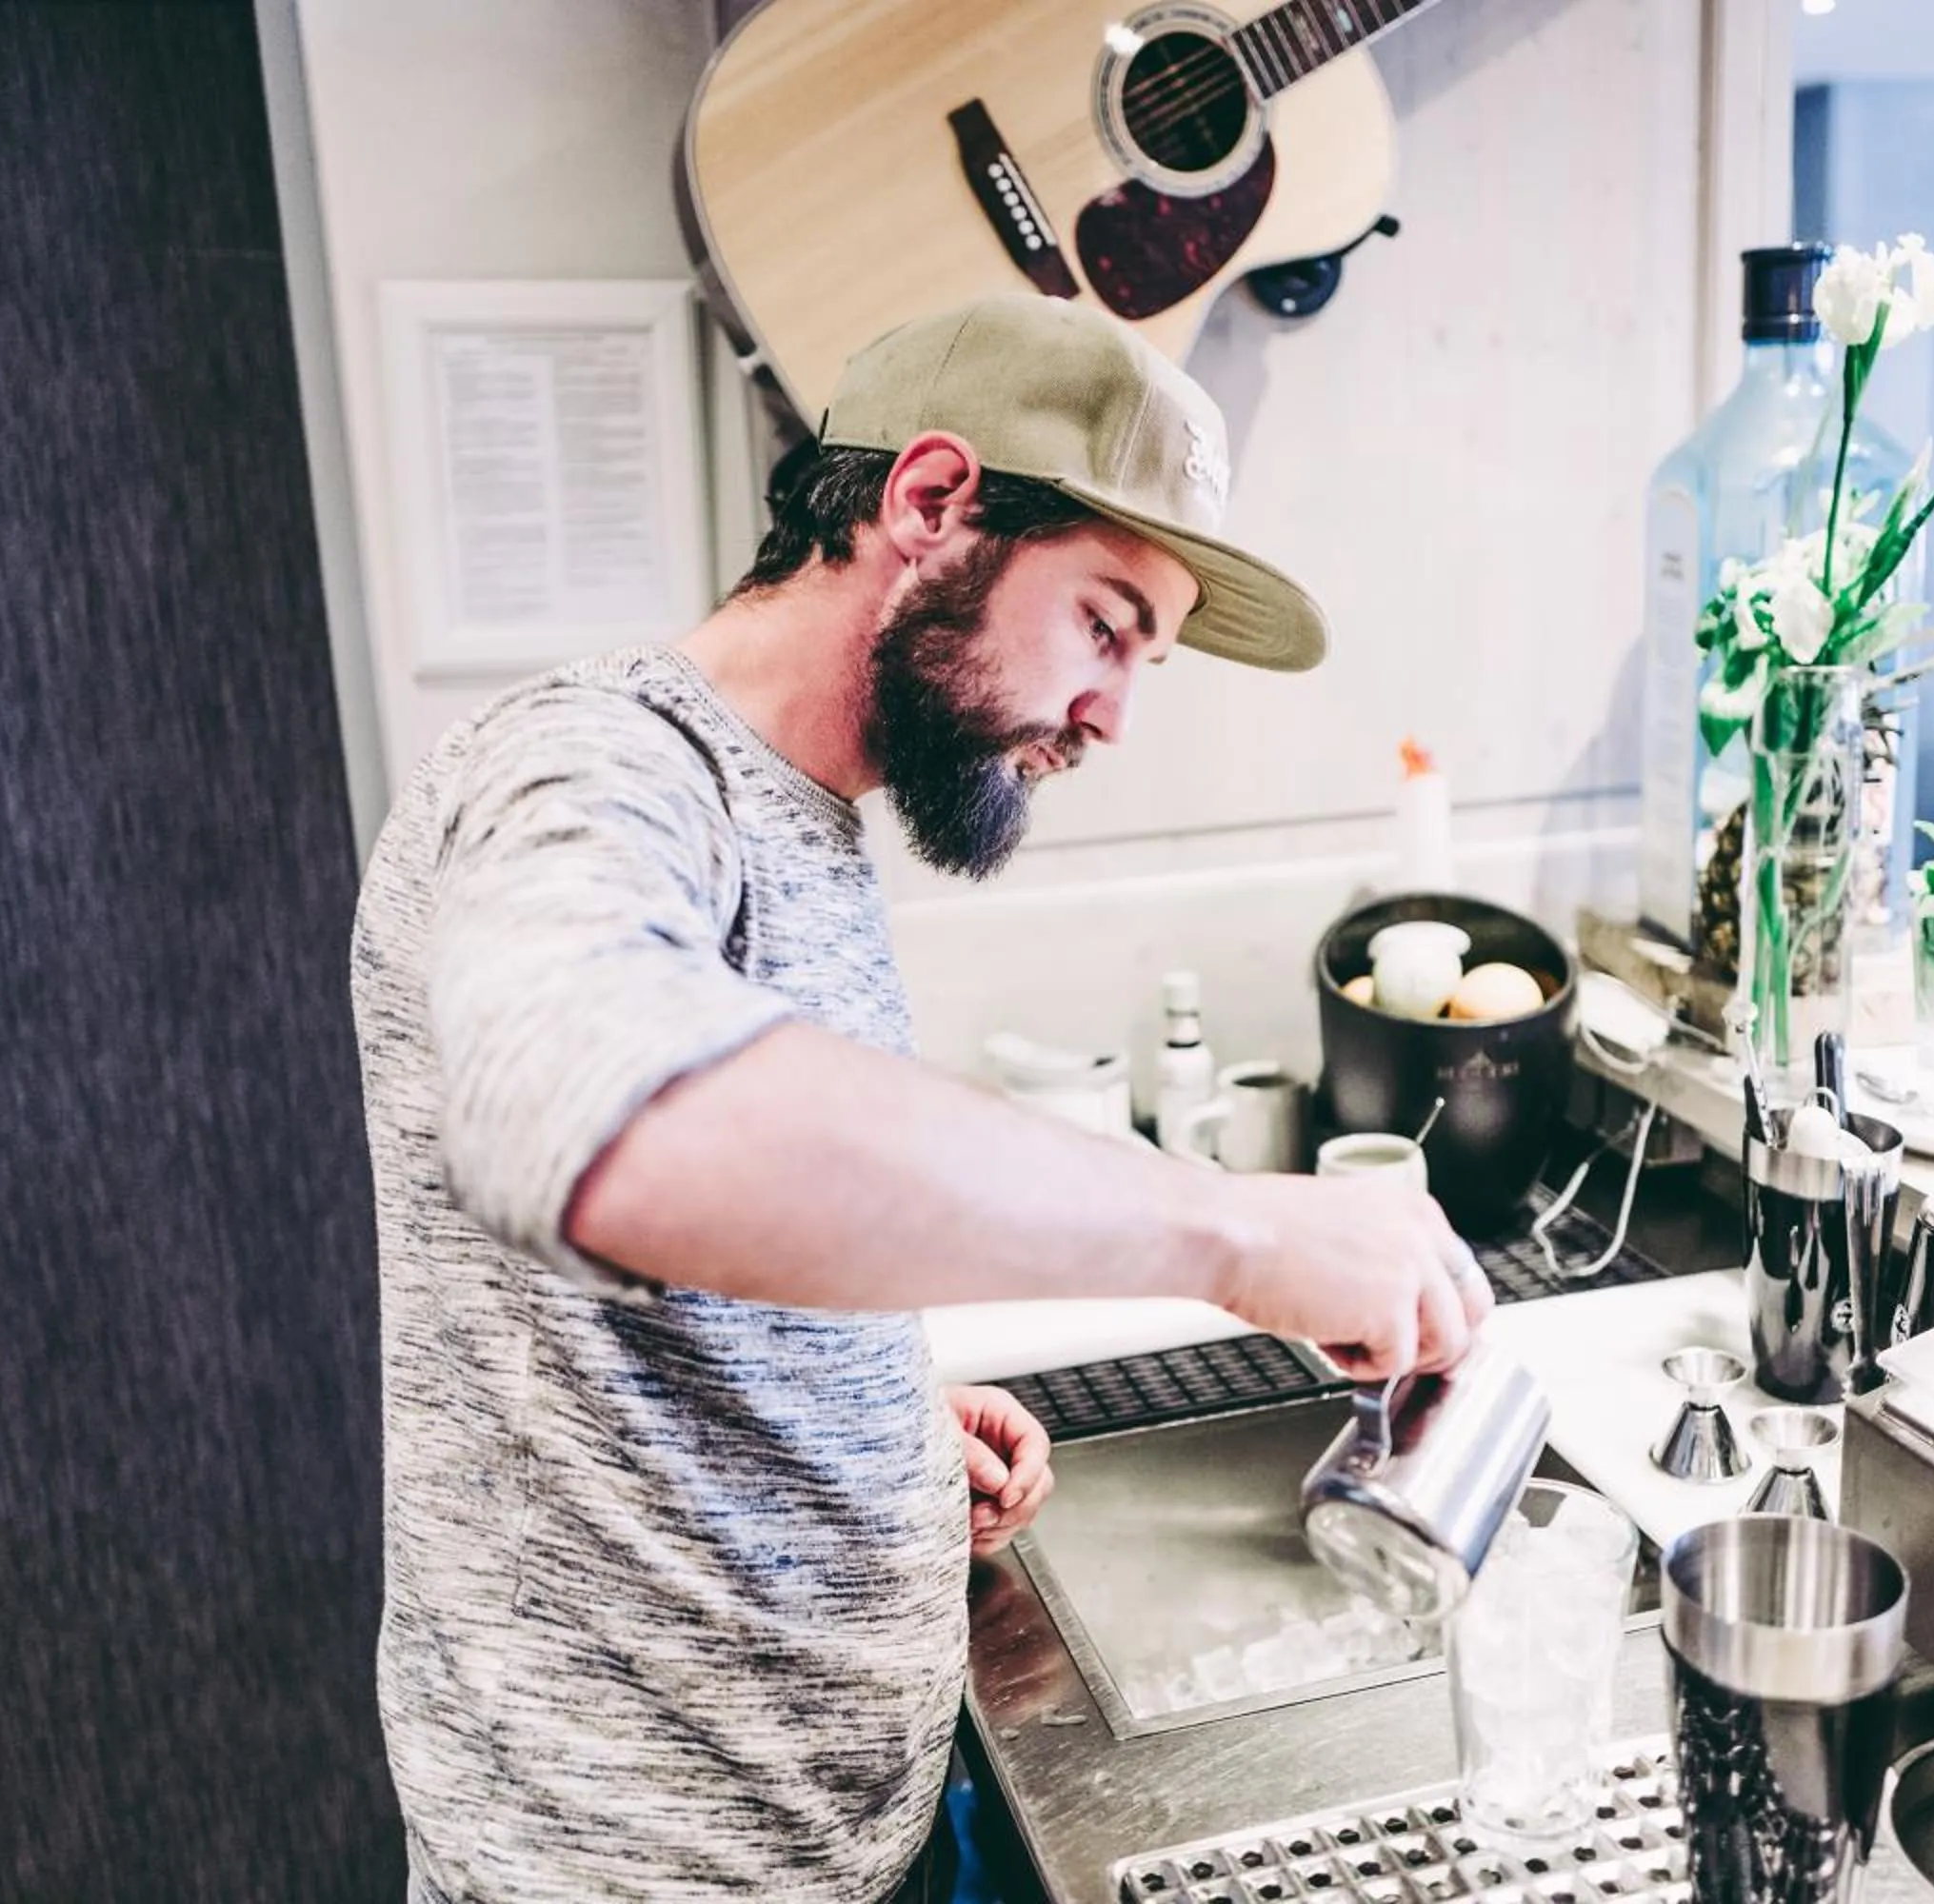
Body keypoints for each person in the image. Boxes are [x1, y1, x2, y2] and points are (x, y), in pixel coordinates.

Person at [349, 296, 1490, 1904]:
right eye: (1105, 627)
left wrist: (876, 1420)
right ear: (932, 502)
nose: (1112, 717)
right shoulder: (592, 773)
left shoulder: (802, 810)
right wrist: (1237, 1233)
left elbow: (720, 1247)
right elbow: (613, 1124)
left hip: (842, 1830)